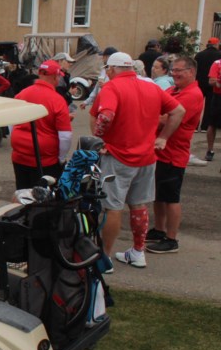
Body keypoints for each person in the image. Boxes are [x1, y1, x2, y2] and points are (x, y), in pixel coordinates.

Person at [90, 52, 185, 269]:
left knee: (112, 207)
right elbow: (178, 110)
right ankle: (138, 251)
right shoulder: (151, 86)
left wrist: (100, 139)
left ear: (112, 69)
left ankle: (105, 257)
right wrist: (162, 138)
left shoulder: (112, 88)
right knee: (138, 205)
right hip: (146, 157)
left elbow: (105, 116)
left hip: (118, 156)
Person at [144, 56, 204, 255]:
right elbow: (158, 107)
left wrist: (145, 115)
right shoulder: (173, 90)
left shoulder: (193, 94)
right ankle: (159, 230)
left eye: (179, 70)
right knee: (158, 195)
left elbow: (166, 118)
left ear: (191, 72)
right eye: (173, 70)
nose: (174, 74)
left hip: (174, 153)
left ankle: (171, 239)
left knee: (171, 197)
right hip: (161, 152)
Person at [10, 60, 72, 190]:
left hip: (20, 155)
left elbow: (11, 122)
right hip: (45, 159)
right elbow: (65, 136)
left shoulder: (22, 94)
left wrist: (16, 140)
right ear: (55, 76)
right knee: (44, 198)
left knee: (23, 193)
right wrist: (61, 158)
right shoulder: (57, 100)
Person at [194, 37, 220, 132]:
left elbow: (195, 68)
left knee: (197, 104)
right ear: (216, 44)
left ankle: (195, 126)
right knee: (209, 104)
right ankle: (205, 126)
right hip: (213, 82)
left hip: (199, 82)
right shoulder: (219, 55)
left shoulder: (199, 55)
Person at [206, 50, 221, 162]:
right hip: (218, 97)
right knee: (212, 124)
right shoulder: (217, 63)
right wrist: (217, 82)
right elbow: (211, 81)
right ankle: (210, 150)